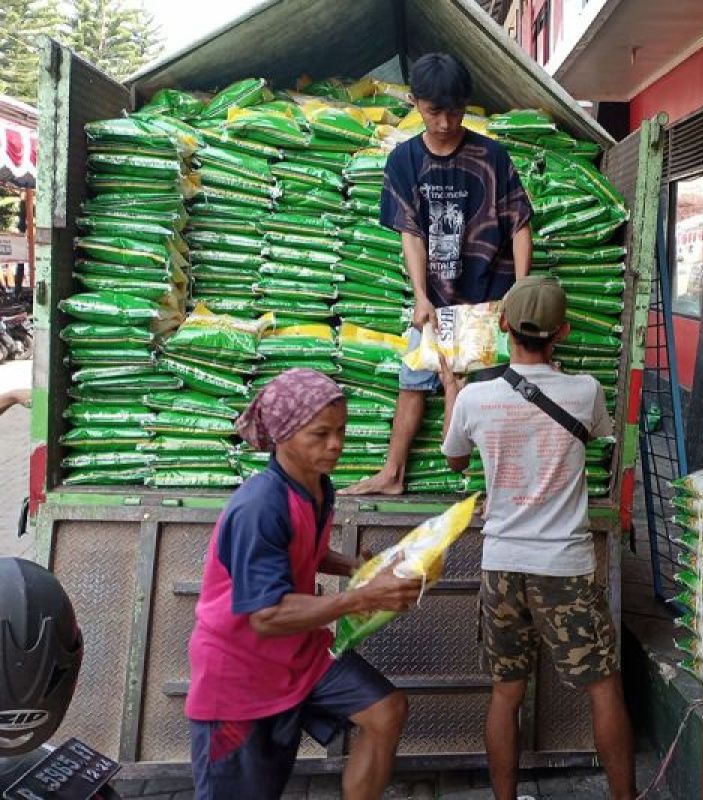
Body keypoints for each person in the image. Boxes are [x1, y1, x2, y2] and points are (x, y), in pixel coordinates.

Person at [438, 277, 636, 800]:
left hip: (501, 565)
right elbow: (596, 433)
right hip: (564, 568)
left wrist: (452, 392)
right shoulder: (586, 391)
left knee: (505, 695)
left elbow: (455, 459)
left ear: (502, 324)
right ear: (562, 332)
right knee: (603, 688)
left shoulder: (476, 398)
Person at [186, 369, 424, 800]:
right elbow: (267, 614)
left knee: (385, 711)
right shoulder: (260, 506)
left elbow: (304, 550)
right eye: (320, 434)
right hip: (239, 675)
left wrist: (356, 568)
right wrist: (364, 596)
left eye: (341, 431)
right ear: (282, 434)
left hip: (298, 655)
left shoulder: (318, 488)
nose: (335, 444)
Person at [344, 52, 533, 496]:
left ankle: (492, 490)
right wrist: (420, 297)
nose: (446, 122)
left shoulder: (492, 156)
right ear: (413, 101)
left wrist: (520, 289)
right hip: (437, 299)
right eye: (434, 111)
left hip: (490, 297)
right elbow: (410, 232)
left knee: (491, 393)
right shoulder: (404, 161)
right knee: (412, 383)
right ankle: (393, 473)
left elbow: (520, 223)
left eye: (455, 110)